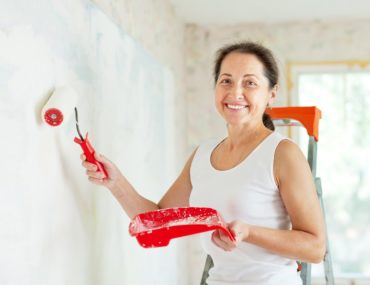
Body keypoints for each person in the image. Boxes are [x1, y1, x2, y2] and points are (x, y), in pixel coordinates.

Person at [81, 41, 326, 285]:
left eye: (250, 83)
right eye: (226, 81)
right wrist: (115, 182)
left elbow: (315, 248)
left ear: (272, 93)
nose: (235, 93)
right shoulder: (203, 154)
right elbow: (155, 221)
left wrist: (250, 233)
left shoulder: (282, 153)